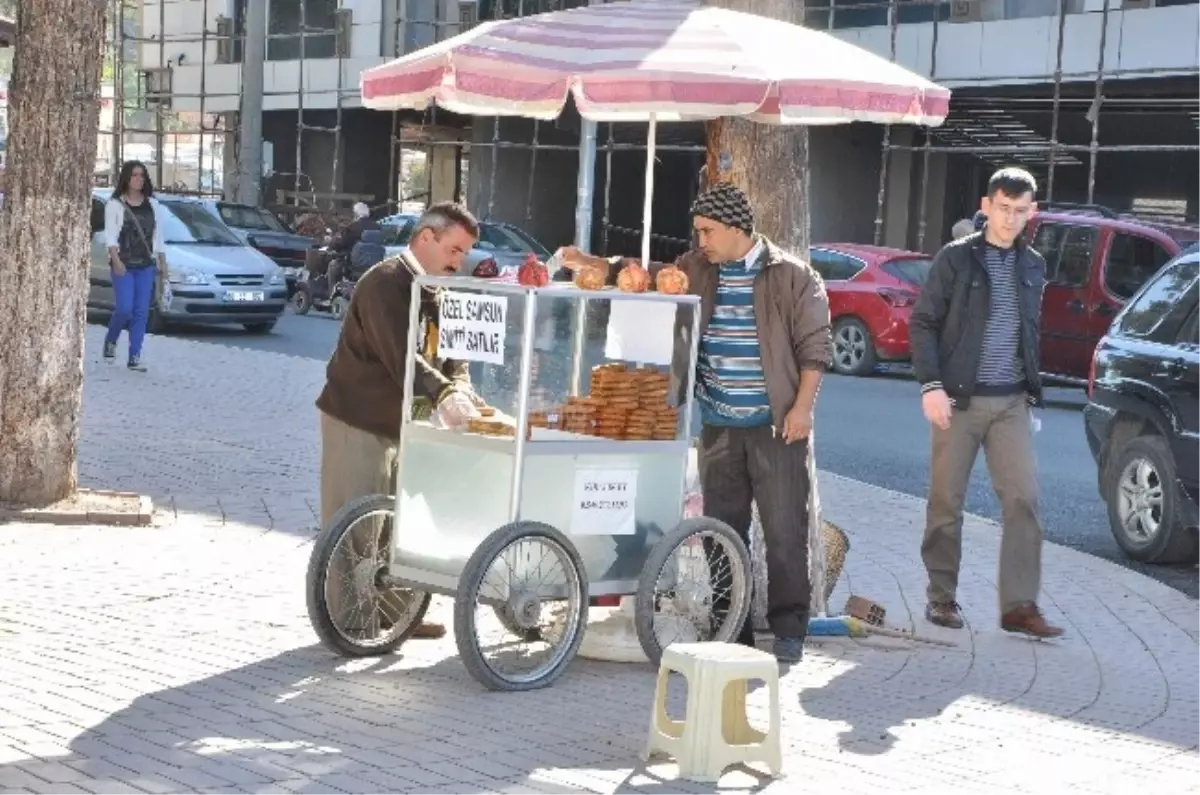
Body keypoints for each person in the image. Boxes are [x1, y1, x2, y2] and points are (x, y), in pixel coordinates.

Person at [559, 182, 833, 663]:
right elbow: (646, 275)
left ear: (735, 227)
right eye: (698, 231)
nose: (700, 240)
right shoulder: (697, 270)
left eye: (707, 230)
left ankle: (791, 630)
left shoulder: (793, 276)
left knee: (786, 530)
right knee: (722, 533)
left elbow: (815, 349)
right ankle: (733, 627)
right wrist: (594, 263)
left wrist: (802, 409)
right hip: (718, 423)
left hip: (777, 426)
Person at [316, 201, 484, 640]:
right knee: (355, 522)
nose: (458, 260)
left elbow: (454, 354)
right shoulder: (386, 281)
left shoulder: (436, 288)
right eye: (454, 249)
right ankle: (351, 622)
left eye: (464, 253)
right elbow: (401, 355)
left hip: (404, 424)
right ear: (426, 238)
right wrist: (444, 392)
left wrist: (462, 387)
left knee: (398, 524)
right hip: (358, 418)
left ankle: (396, 615)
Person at [909, 166, 1063, 639]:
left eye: (1020, 211)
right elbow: (924, 323)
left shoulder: (1034, 264)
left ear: (1031, 212)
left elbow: (1027, 333)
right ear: (986, 204)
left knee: (1024, 501)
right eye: (1003, 208)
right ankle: (941, 598)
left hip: (1012, 401)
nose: (1011, 219)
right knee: (946, 502)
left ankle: (1019, 607)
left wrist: (1032, 390)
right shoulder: (956, 259)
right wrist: (930, 386)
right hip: (957, 400)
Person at [103, 160, 168, 372]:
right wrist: (117, 260)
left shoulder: (153, 204)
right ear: (126, 178)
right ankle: (111, 339)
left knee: (141, 311)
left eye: (142, 175)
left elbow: (158, 238)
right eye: (134, 175)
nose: (138, 179)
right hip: (124, 264)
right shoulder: (115, 204)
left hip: (146, 265)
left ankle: (134, 356)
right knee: (124, 309)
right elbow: (110, 236)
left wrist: (163, 264)